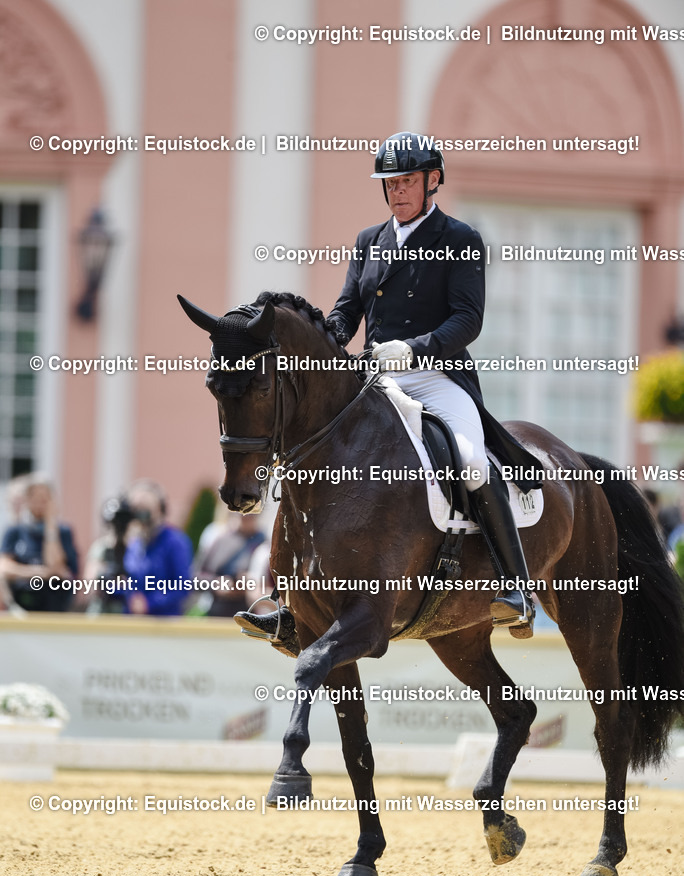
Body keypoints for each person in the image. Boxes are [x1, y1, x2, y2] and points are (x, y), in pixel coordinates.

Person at [239, 131, 544, 647]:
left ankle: (516, 587)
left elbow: (468, 320)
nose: (397, 190)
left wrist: (416, 349)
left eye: (406, 181)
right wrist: (324, 339)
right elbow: (345, 312)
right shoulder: (369, 241)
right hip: (376, 377)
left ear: (432, 181)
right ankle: (287, 601)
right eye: (391, 183)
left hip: (437, 375)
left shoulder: (460, 239)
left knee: (470, 459)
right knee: (304, 456)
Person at [0, 474, 78, 611]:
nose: (39, 504)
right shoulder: (15, 531)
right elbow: (5, 568)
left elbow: (55, 564)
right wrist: (40, 572)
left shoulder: (64, 532)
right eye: (34, 498)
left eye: (44, 499)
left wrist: (50, 527)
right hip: (21, 604)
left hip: (53, 605)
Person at [121, 479, 193, 616]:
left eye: (146, 510)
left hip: (164, 625)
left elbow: (183, 587)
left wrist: (149, 603)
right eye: (136, 510)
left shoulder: (175, 542)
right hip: (132, 622)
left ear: (160, 509)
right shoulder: (134, 544)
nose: (141, 517)